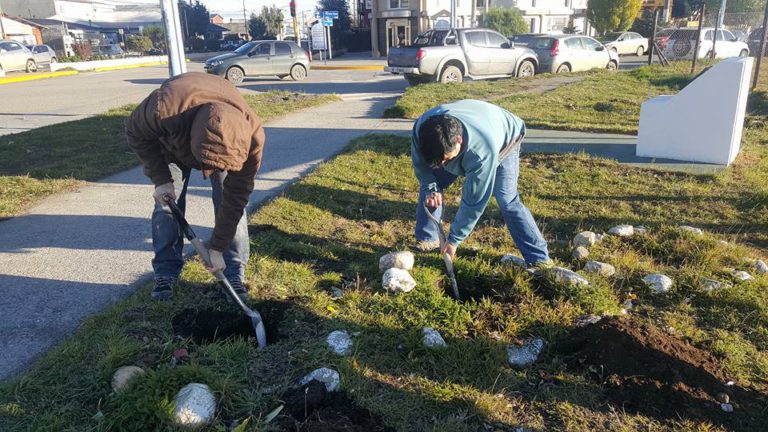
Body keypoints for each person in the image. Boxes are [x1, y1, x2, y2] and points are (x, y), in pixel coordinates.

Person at [126, 72, 265, 301]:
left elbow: (237, 197)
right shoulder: (165, 107)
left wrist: (217, 248)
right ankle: (166, 273)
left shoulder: (252, 138)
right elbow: (135, 132)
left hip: (221, 146)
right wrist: (161, 180)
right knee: (167, 207)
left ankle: (233, 273)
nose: (206, 171)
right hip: (172, 147)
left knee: (228, 203)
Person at [411, 99, 550, 267]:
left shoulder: (481, 153)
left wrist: (454, 239)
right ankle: (428, 240)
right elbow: (421, 165)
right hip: (477, 121)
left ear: (459, 140)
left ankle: (538, 259)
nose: (441, 166)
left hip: (505, 136)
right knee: (432, 187)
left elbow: (474, 200)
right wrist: (430, 187)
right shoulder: (422, 130)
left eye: (445, 160)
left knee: (506, 200)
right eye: (437, 161)